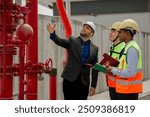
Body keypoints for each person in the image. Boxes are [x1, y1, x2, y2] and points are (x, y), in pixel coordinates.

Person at [47, 21, 99, 100]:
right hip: (69, 79)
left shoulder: (95, 48)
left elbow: (95, 68)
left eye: (87, 28)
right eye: (84, 26)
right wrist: (53, 34)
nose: (84, 28)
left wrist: (93, 85)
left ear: (92, 33)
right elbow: (60, 41)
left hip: (84, 82)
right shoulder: (72, 40)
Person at [106, 19, 142, 100]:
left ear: (127, 33)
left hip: (128, 92)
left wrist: (112, 70)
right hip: (125, 90)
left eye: (120, 32)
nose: (118, 34)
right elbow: (123, 68)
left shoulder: (132, 49)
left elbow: (131, 73)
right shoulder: (128, 47)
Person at [106, 21, 125, 100]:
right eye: (110, 31)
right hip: (112, 87)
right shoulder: (112, 49)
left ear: (120, 33)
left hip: (121, 89)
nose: (110, 33)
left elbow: (124, 71)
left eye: (113, 31)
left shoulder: (124, 49)